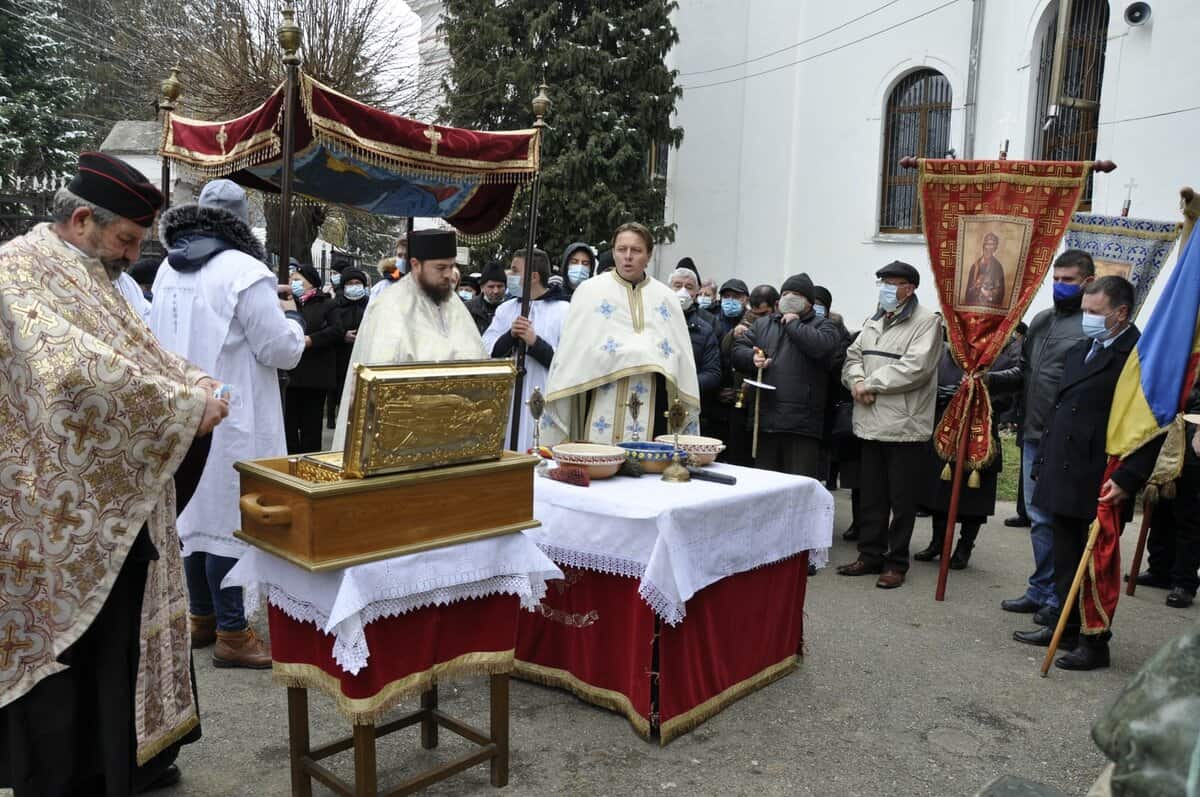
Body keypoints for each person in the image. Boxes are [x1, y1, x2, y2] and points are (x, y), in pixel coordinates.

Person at [0, 152, 229, 795]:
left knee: (112, 647)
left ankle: (115, 765)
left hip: (106, 500)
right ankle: (66, 777)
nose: (133, 256)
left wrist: (192, 380)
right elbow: (75, 371)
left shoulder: (86, 272)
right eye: (128, 240)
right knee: (69, 658)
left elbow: (136, 352)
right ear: (82, 220)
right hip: (50, 514)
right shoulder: (19, 273)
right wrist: (187, 407)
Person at [151, 178, 306, 669]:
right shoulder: (245, 269)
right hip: (235, 411)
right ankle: (233, 632)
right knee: (228, 517)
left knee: (195, 513)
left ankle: (200, 617)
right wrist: (294, 323)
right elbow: (277, 349)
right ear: (242, 221)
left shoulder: (167, 269)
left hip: (185, 407)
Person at [1013, 277, 1162, 670]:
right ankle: (1065, 624)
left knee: (1095, 563)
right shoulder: (1082, 350)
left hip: (1102, 476)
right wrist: (1043, 460)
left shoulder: (1140, 356)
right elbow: (1060, 411)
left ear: (1121, 313)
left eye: (1095, 313)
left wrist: (1130, 478)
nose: (1087, 320)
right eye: (1085, 312)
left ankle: (1095, 642)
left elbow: (1148, 426)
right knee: (1064, 554)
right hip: (1064, 468)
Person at [990, 250, 1094, 622]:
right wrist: (987, 380)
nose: (1061, 286)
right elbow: (1024, 371)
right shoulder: (1041, 320)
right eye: (1057, 278)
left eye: (1069, 280)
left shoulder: (1092, 326)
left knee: (1057, 518)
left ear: (1088, 283)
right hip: (1033, 434)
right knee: (1038, 517)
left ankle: (1059, 597)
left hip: (1066, 440)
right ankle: (1041, 588)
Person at [542, 222, 700, 444]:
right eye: (621, 249)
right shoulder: (589, 292)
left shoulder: (666, 298)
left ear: (649, 255)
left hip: (652, 398)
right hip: (597, 391)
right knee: (597, 461)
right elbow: (572, 354)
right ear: (613, 251)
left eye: (636, 250)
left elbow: (680, 360)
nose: (628, 256)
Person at [837, 261, 942, 589]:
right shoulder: (874, 319)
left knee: (902, 500)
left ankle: (896, 562)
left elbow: (916, 367)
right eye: (881, 282)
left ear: (909, 288)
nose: (884, 288)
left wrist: (871, 384)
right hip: (869, 422)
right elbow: (853, 356)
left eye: (890, 283)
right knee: (872, 496)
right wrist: (856, 381)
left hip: (904, 426)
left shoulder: (927, 323)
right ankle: (870, 555)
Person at [333, 229, 487, 448]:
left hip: (454, 429)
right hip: (403, 432)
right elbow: (380, 377)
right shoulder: (389, 306)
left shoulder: (454, 304)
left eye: (451, 266)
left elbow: (477, 359)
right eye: (440, 268)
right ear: (416, 265)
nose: (449, 275)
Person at [912, 330, 1020, 569]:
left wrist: (979, 395)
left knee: (974, 497)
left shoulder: (1001, 361)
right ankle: (937, 542)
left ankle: (964, 547)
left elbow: (1008, 399)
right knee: (940, 490)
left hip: (979, 437)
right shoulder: (947, 355)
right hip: (946, 431)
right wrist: (945, 396)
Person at [731, 273, 839, 478]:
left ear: (808, 301)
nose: (790, 298)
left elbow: (822, 348)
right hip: (765, 420)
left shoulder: (823, 325)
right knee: (765, 484)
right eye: (786, 293)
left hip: (801, 425)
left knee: (797, 485)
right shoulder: (764, 324)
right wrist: (751, 358)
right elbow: (738, 349)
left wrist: (793, 324)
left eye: (796, 294)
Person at [483, 248, 570, 452]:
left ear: (533, 276)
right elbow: (487, 349)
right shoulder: (506, 309)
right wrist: (510, 336)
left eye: (514, 271)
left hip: (545, 396)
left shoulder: (563, 310)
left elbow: (568, 361)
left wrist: (535, 342)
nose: (509, 275)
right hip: (511, 396)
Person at [284, 264, 342, 454]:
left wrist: (311, 340)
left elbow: (336, 330)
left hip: (315, 376)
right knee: (289, 427)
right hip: (291, 376)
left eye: (298, 280)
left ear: (312, 283)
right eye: (291, 279)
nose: (293, 283)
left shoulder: (327, 304)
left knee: (311, 428)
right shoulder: (287, 302)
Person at [721, 283, 778, 465]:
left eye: (763, 314)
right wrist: (734, 335)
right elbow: (728, 352)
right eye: (755, 314)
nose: (758, 318)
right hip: (741, 398)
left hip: (766, 402)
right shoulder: (746, 321)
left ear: (775, 306)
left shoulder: (778, 325)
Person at [667, 267, 721, 422]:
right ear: (668, 288)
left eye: (689, 287)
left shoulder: (705, 329)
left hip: (689, 403)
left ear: (697, 292)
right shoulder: (654, 321)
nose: (683, 291)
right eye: (677, 285)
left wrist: (685, 384)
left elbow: (713, 373)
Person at [329, 267, 371, 428]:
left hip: (362, 354)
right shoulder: (335, 305)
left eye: (357, 283)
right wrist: (342, 335)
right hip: (340, 355)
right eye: (350, 283)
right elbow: (330, 327)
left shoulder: (369, 305)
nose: (354, 286)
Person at [964, 232, 1006, 307]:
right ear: (984, 246)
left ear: (995, 248)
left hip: (990, 306)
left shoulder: (998, 267)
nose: (989, 247)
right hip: (975, 306)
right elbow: (969, 290)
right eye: (988, 244)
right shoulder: (975, 266)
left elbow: (1000, 291)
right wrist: (977, 288)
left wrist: (990, 293)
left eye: (992, 244)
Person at [468, 260, 507, 334]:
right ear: (482, 288)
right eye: (491, 287)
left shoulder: (512, 309)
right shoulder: (468, 309)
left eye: (500, 286)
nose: (496, 291)